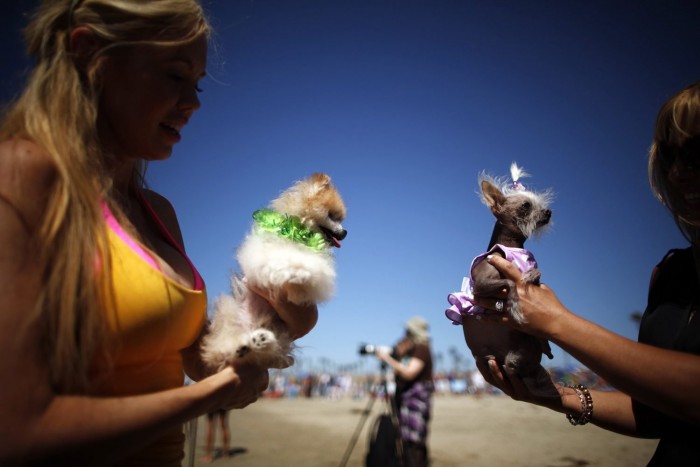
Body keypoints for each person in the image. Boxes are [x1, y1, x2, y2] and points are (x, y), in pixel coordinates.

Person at [0, 1, 317, 465]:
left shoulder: (159, 214)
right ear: (90, 54)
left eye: (198, 84)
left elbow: (197, 359)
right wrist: (208, 396)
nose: (193, 103)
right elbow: (17, 433)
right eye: (174, 75)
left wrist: (278, 320)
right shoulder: (23, 176)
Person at [468, 81, 700, 466]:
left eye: (696, 151)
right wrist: (553, 395)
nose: (677, 172)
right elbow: (659, 412)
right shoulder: (670, 274)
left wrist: (557, 323)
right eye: (669, 155)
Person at [376, 316, 434, 467]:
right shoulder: (413, 349)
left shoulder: (422, 348)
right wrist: (398, 354)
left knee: (413, 442)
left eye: (408, 331)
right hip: (407, 400)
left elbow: (409, 373)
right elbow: (401, 370)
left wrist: (388, 359)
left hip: (415, 401)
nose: (405, 334)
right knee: (405, 440)